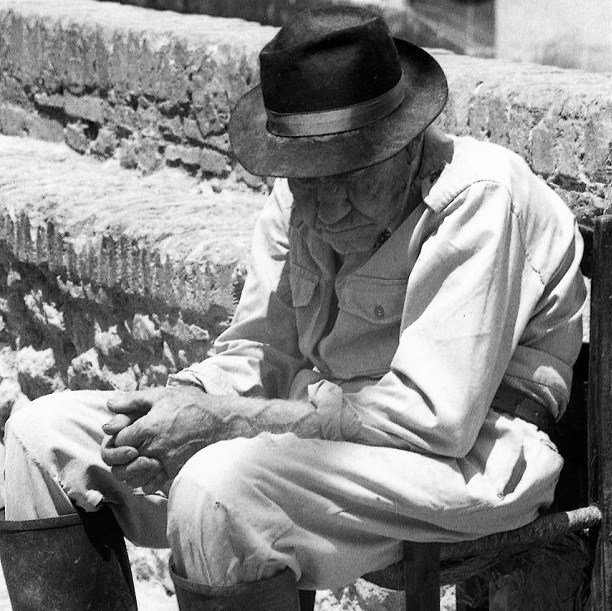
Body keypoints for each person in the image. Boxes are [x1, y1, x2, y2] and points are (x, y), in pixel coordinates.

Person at [3, 6, 586, 610]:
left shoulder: (477, 197)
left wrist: (221, 422)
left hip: (467, 460)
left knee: (219, 491)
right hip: (327, 442)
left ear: (407, 142)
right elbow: (260, 353)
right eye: (310, 178)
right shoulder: (297, 196)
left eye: (351, 175)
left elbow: (431, 422)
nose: (328, 207)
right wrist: (177, 407)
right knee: (42, 439)